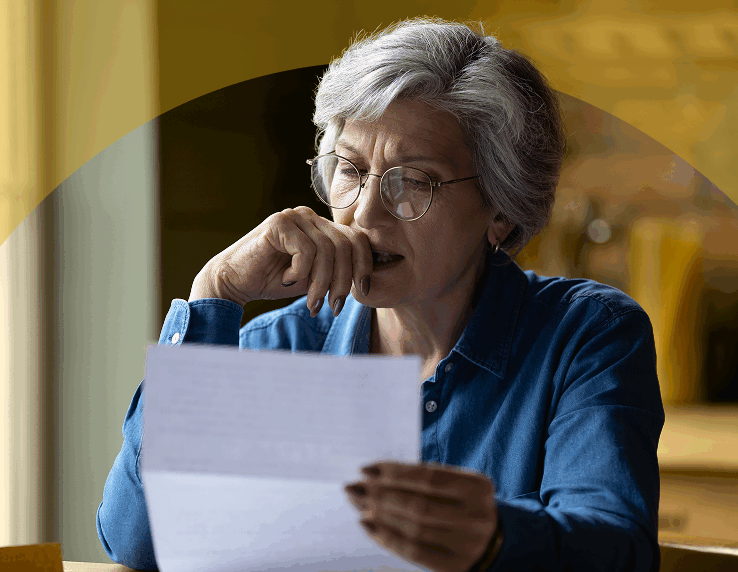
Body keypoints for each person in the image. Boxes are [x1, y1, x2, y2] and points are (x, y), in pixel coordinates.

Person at [97, 17, 664, 572]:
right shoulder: (283, 344)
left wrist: (492, 538)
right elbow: (140, 543)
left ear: (501, 207)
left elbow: (618, 549)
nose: (364, 214)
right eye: (349, 170)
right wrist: (212, 294)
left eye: (413, 181)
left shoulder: (586, 336)